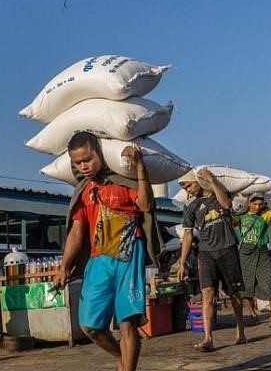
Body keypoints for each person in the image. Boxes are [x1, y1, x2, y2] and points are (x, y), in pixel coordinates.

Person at [54, 131, 163, 371]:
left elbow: (145, 205)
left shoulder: (123, 183)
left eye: (87, 160)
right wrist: (63, 266)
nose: (83, 166)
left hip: (128, 255)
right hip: (99, 260)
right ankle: (123, 361)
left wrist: (140, 169)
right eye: (77, 163)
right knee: (90, 327)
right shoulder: (83, 192)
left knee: (127, 324)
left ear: (101, 155)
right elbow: (76, 232)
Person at [177, 168, 246, 352]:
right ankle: (207, 337)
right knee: (207, 293)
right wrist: (182, 262)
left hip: (227, 248)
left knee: (234, 293)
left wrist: (212, 181)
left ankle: (240, 329)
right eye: (185, 188)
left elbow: (226, 205)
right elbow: (188, 234)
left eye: (189, 185)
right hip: (206, 252)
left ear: (198, 181)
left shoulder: (220, 194)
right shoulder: (190, 206)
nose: (188, 190)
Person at [237, 190, 271, 328]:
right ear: (248, 204)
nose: (257, 207)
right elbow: (228, 215)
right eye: (254, 203)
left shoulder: (265, 215)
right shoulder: (241, 216)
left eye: (260, 204)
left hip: (262, 253)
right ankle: (252, 314)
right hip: (245, 253)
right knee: (246, 289)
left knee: (270, 285)